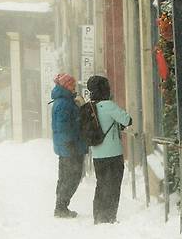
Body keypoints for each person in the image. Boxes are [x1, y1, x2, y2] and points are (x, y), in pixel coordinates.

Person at [86, 75, 132, 224]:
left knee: (101, 184)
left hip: (98, 154)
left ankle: (98, 216)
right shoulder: (108, 105)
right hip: (113, 153)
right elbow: (127, 120)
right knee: (113, 186)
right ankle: (110, 216)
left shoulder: (90, 107)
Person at [51, 73, 87, 218]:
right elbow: (63, 126)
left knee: (66, 177)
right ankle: (61, 207)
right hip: (70, 148)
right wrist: (70, 143)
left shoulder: (65, 101)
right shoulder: (64, 103)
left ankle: (60, 206)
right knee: (72, 177)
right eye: (72, 85)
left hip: (68, 147)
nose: (74, 87)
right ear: (66, 86)